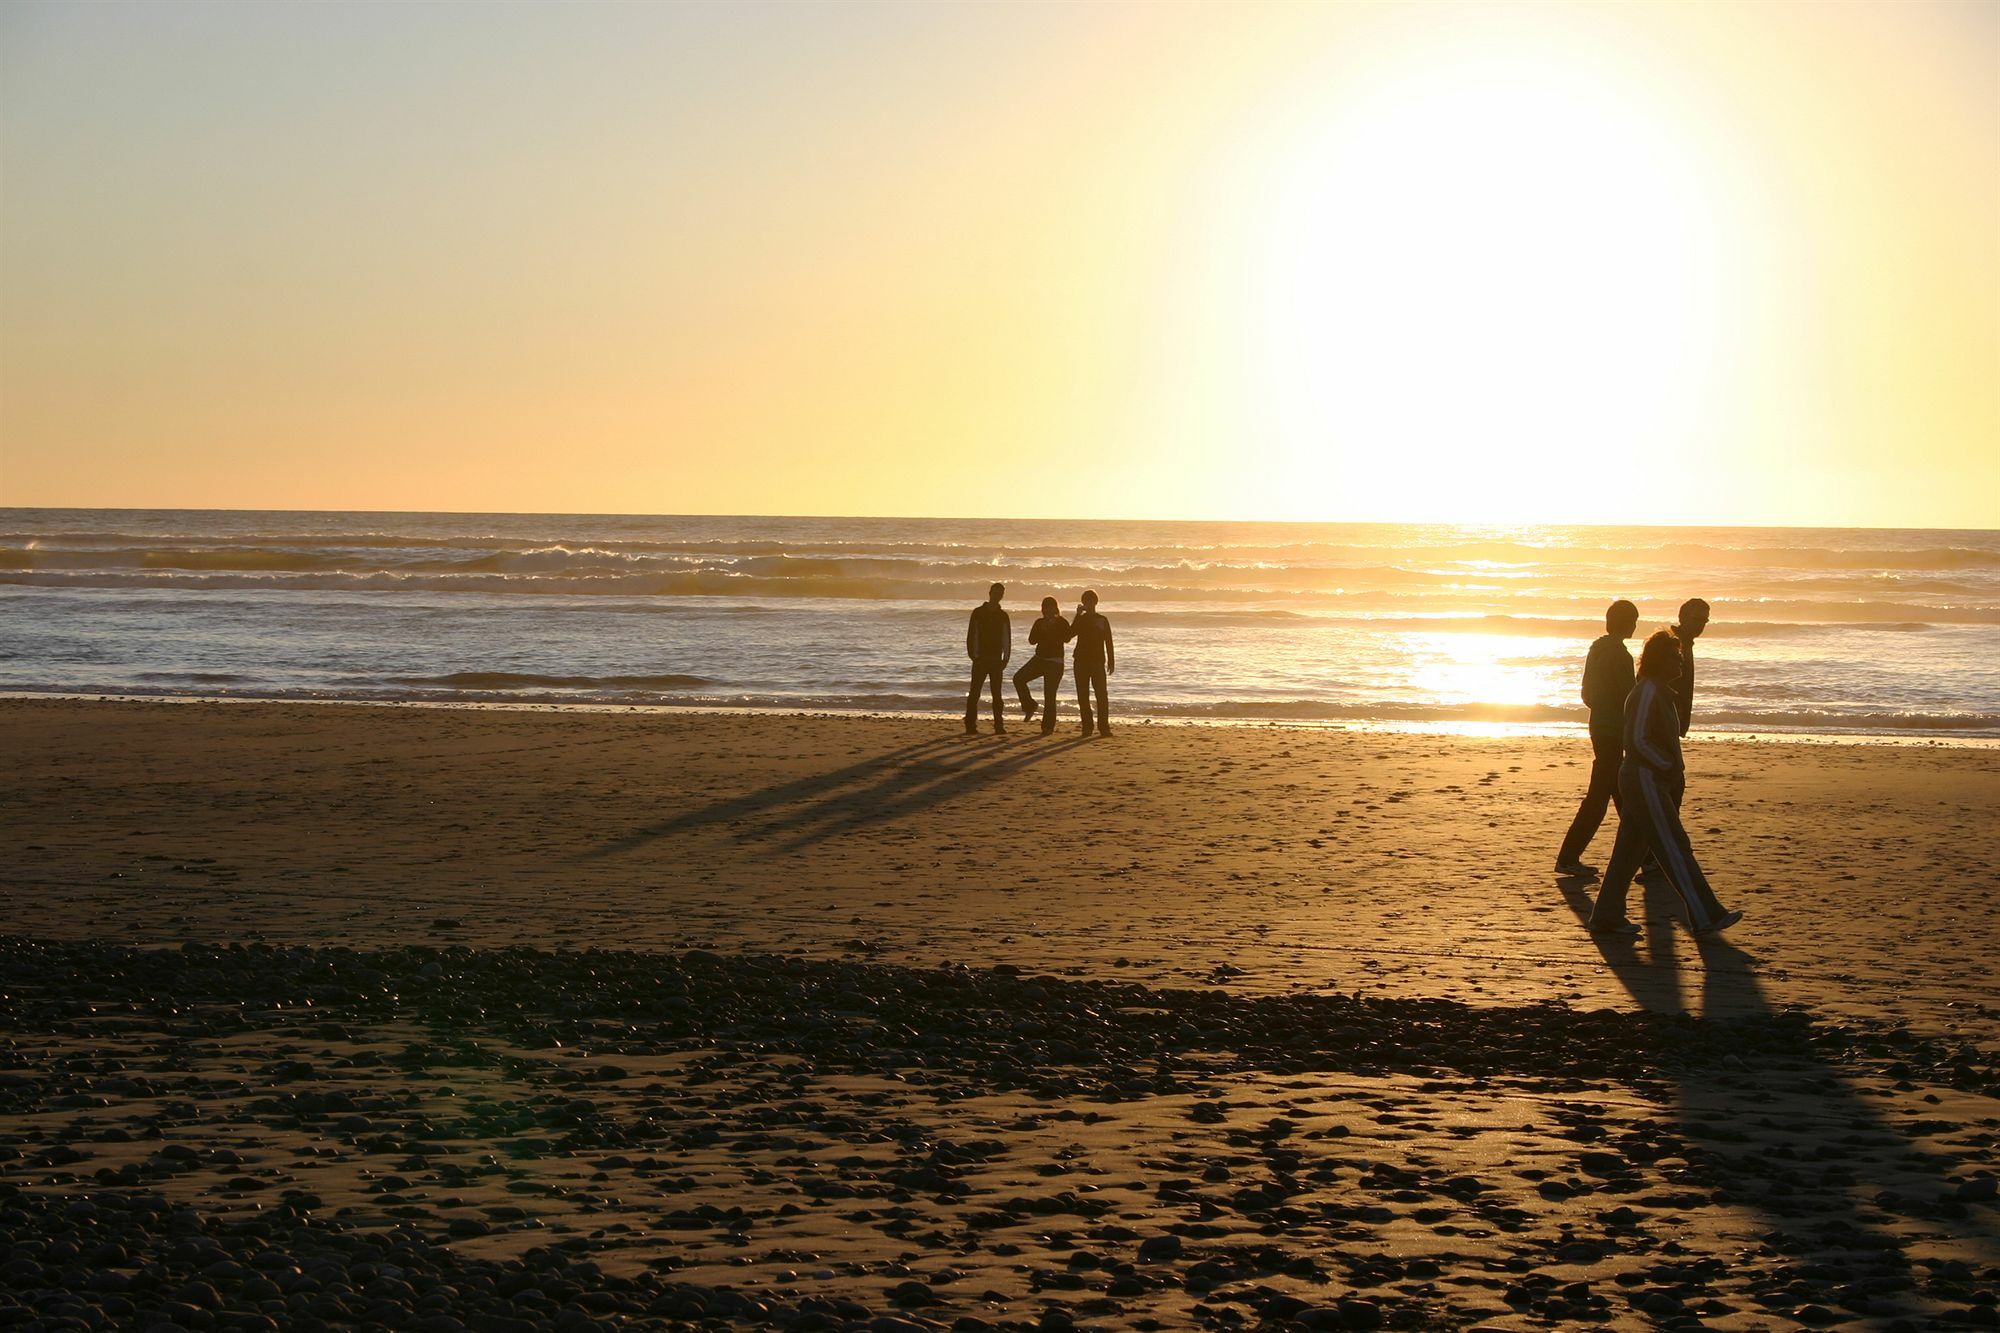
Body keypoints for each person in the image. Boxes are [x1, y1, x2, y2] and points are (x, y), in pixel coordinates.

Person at [1587, 629, 1742, 938]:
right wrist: (1667, 766)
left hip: (1647, 778)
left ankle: (1606, 915)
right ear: (1660, 660)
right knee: (1674, 845)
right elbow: (1637, 739)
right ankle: (1705, 914)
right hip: (1644, 778)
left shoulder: (1657, 692)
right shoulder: (1646, 692)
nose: (1681, 663)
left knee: (1629, 850)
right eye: (1676, 657)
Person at [1555, 600, 1640, 877]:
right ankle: (1568, 857)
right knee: (1600, 798)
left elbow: (1587, 694)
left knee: (1619, 795)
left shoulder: (1597, 650)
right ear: (1627, 623)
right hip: (1615, 730)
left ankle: (1647, 856)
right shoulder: (1620, 655)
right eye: (1634, 620)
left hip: (1599, 727)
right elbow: (1630, 697)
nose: (1636, 625)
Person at [1014, 597, 1071, 735]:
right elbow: (1031, 641)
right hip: (1039, 659)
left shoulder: (1062, 622)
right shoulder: (1039, 622)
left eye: (1051, 607)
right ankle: (1030, 705)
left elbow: (1067, 638)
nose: (1048, 610)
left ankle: (1047, 727)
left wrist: (1053, 628)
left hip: (1055, 662)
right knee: (1018, 678)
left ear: (1056, 608)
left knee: (1049, 695)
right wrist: (1042, 629)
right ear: (1042, 609)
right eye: (1045, 608)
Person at [963, 583, 1011, 735]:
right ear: (990, 593)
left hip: (996, 659)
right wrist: (973, 655)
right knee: (974, 693)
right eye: (995, 593)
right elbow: (972, 635)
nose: (997, 596)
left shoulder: (1003, 616)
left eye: (1000, 594)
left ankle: (999, 725)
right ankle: (970, 724)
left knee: (997, 694)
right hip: (981, 658)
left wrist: (1006, 658)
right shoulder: (978, 612)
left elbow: (1006, 638)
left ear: (1002, 595)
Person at [1071, 589, 1114, 736]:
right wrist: (1077, 614)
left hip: (1097, 661)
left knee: (1101, 695)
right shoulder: (1081, 619)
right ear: (1083, 603)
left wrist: (1111, 660)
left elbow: (1108, 641)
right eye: (1086, 601)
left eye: (1091, 601)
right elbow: (1070, 634)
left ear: (1096, 602)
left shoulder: (1102, 620)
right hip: (1080, 661)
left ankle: (1104, 727)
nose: (1089, 603)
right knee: (1083, 696)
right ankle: (1087, 727)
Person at [1671, 598, 1710, 737]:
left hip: (1674, 720)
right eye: (1696, 619)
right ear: (1682, 617)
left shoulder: (1686, 643)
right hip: (1665, 719)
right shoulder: (1672, 644)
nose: (1700, 625)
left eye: (1704, 621)